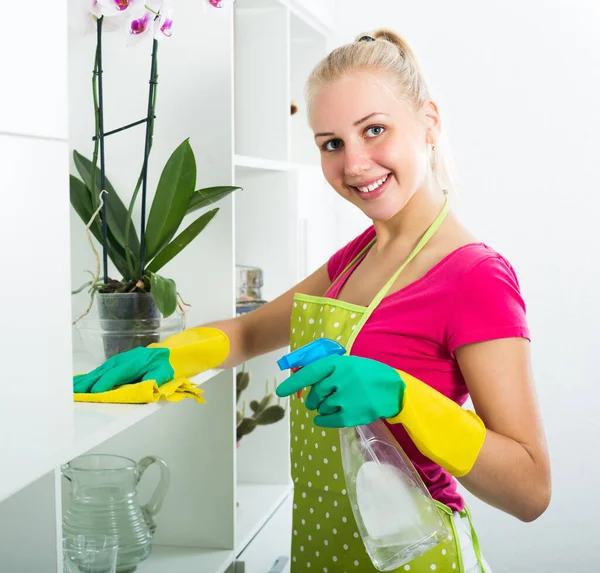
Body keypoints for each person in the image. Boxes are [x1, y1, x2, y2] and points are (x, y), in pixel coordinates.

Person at [74, 29, 551, 573]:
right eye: (332, 143)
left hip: (415, 557)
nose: (354, 164)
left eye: (375, 130)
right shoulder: (358, 255)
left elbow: (531, 489)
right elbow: (253, 333)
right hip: (324, 549)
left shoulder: (476, 278)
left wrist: (403, 398)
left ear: (429, 123)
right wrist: (172, 354)